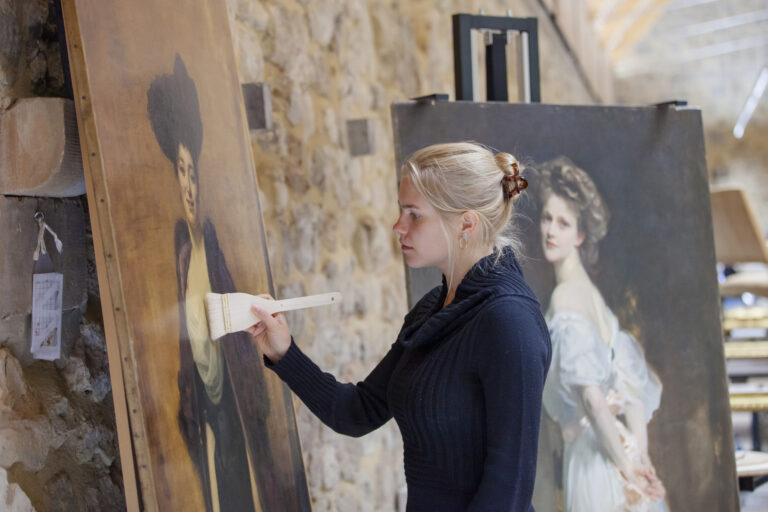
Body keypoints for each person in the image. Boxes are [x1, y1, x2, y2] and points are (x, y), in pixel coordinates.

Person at [247, 142, 552, 512]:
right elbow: (358, 412)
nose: (398, 227)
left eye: (414, 215)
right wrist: (283, 352)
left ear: (466, 224)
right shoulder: (432, 310)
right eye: (400, 211)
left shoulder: (510, 323)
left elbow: (509, 491)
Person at [147, 54, 285, 511]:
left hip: (233, 407)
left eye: (193, 172)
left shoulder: (211, 246)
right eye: (180, 172)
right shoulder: (179, 252)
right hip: (205, 407)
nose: (188, 184)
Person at [536, 156, 667, 511]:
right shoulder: (594, 297)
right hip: (620, 442)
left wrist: (627, 469)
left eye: (563, 224)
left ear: (580, 235)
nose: (550, 231)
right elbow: (632, 395)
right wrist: (639, 456)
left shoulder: (566, 299)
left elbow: (594, 400)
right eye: (547, 218)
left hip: (596, 457)